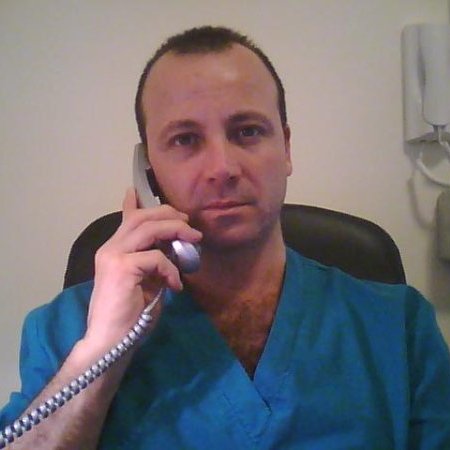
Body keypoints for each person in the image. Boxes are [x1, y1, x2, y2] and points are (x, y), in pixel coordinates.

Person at [1, 26, 450, 450]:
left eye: (247, 131)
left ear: (286, 147)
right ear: (148, 169)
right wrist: (100, 354)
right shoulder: (67, 329)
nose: (222, 167)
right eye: (185, 139)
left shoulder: (399, 327)